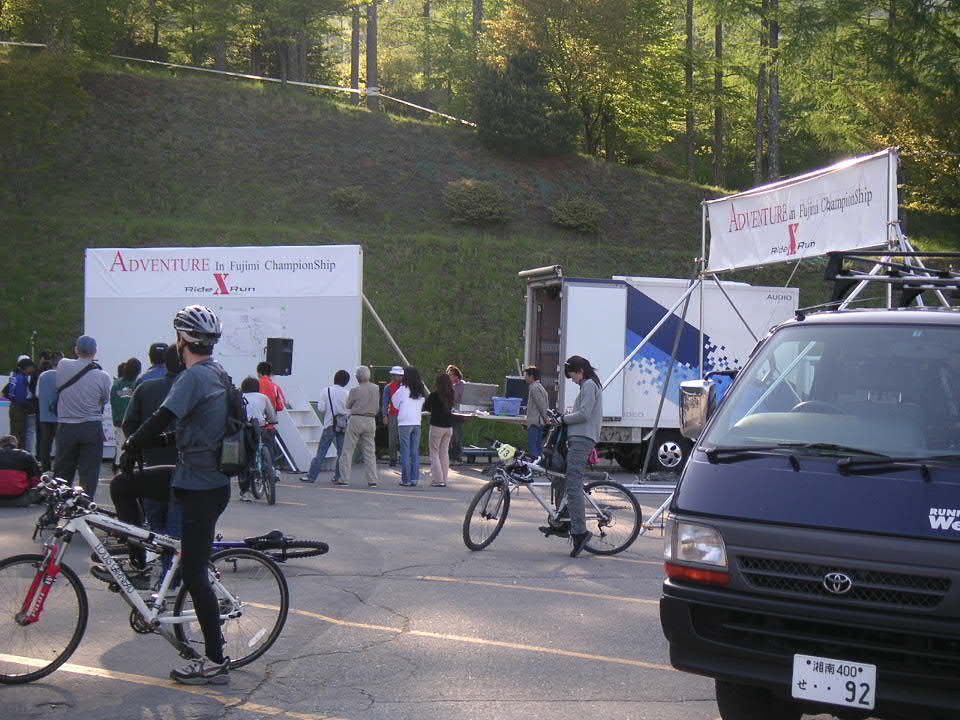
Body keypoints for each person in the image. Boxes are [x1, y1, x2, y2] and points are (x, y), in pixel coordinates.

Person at [124, 304, 231, 685]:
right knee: (124, 486)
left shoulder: (194, 377)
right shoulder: (215, 372)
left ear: (181, 340)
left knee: (194, 573)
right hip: (193, 477)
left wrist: (132, 445)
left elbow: (161, 418)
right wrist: (152, 444)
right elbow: (196, 429)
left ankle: (215, 661)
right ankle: (136, 560)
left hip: (203, 486)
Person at [549, 355, 603, 558]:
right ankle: (564, 521)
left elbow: (584, 414)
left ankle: (580, 532)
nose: (572, 380)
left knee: (573, 484)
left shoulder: (589, 385)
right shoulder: (588, 385)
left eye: (572, 376)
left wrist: (563, 419)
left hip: (582, 439)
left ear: (580, 371)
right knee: (564, 479)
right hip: (579, 438)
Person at [54, 336, 111, 499]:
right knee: (89, 472)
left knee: (63, 471)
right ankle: (84, 505)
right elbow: (104, 399)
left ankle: (60, 505)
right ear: (95, 352)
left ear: (76, 350)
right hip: (91, 426)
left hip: (66, 426)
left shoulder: (63, 365)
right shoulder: (103, 376)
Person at [303, 370, 350, 484]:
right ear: (346, 382)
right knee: (341, 453)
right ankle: (338, 476)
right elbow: (349, 410)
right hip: (342, 426)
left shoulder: (326, 391)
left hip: (329, 424)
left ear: (335, 378)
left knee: (321, 452)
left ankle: (311, 476)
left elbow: (321, 408)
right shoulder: (347, 393)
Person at [337, 366, 379, 487]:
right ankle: (372, 479)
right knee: (370, 451)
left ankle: (344, 478)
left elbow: (348, 405)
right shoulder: (376, 388)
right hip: (370, 420)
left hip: (356, 419)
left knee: (347, 450)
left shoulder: (355, 390)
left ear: (357, 377)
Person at [237, 376, 277, 501]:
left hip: (245, 429)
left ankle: (245, 491)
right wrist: (271, 421)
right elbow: (271, 416)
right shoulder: (263, 397)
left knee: (245, 458)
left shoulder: (240, 397)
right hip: (260, 428)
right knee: (267, 447)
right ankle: (270, 469)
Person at [392, 366, 426, 487]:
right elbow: (422, 403)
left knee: (405, 452)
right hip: (417, 422)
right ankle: (414, 478)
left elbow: (395, 403)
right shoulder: (420, 390)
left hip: (404, 423)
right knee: (414, 452)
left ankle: (405, 479)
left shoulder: (402, 389)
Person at [424, 372, 455, 487]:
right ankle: (444, 479)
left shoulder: (434, 395)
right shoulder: (451, 394)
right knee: (444, 453)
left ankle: (438, 479)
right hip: (448, 427)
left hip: (437, 426)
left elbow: (426, 407)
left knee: (434, 452)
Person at [111, 358, 142, 470]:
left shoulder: (116, 384)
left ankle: (120, 471)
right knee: (136, 449)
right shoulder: (138, 384)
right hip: (134, 423)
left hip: (120, 421)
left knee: (121, 449)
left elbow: (113, 402)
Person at [0, 435, 41, 508]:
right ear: (16, 444)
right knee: (46, 482)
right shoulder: (26, 455)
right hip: (20, 499)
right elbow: (36, 479)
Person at [7, 357, 36, 453]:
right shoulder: (21, 378)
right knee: (19, 434)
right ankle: (17, 455)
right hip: (19, 409)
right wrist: (29, 405)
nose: (33, 369)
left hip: (13, 406)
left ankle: (11, 453)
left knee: (14, 433)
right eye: (31, 367)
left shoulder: (15, 376)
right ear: (26, 367)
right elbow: (20, 397)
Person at [36, 359, 58, 472]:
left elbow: (37, 394)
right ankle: (59, 468)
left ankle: (46, 468)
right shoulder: (63, 376)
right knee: (61, 444)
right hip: (59, 415)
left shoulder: (43, 376)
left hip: (44, 415)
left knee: (45, 444)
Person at [524, 365, 550, 460]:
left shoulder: (534, 388)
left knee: (533, 445)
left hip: (535, 421)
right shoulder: (539, 386)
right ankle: (539, 463)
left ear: (531, 376)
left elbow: (541, 405)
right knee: (538, 445)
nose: (525, 378)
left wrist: (546, 419)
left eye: (526, 375)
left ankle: (535, 463)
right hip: (539, 421)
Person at [381, 366, 404, 466]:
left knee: (404, 438)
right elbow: (385, 403)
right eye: (395, 375)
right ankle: (393, 458)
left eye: (398, 375)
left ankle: (404, 458)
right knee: (393, 437)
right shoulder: (388, 387)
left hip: (404, 414)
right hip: (393, 414)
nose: (396, 377)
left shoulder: (405, 386)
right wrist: (384, 415)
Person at [446, 365, 465, 463]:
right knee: (449, 436)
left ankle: (457, 456)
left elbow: (462, 398)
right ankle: (450, 456)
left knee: (457, 436)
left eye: (450, 375)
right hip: (448, 413)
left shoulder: (462, 385)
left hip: (458, 414)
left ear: (456, 376)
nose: (448, 376)